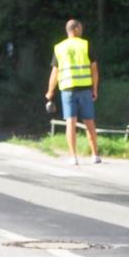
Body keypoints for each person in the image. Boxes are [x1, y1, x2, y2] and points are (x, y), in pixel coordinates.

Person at [45, 18, 100, 165]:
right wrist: (95, 88)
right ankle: (95, 155)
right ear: (75, 29)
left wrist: (50, 91)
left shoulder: (59, 47)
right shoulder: (85, 45)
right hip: (85, 89)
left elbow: (55, 72)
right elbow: (94, 69)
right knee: (89, 122)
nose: (82, 30)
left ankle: (73, 157)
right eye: (80, 28)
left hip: (67, 90)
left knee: (71, 122)